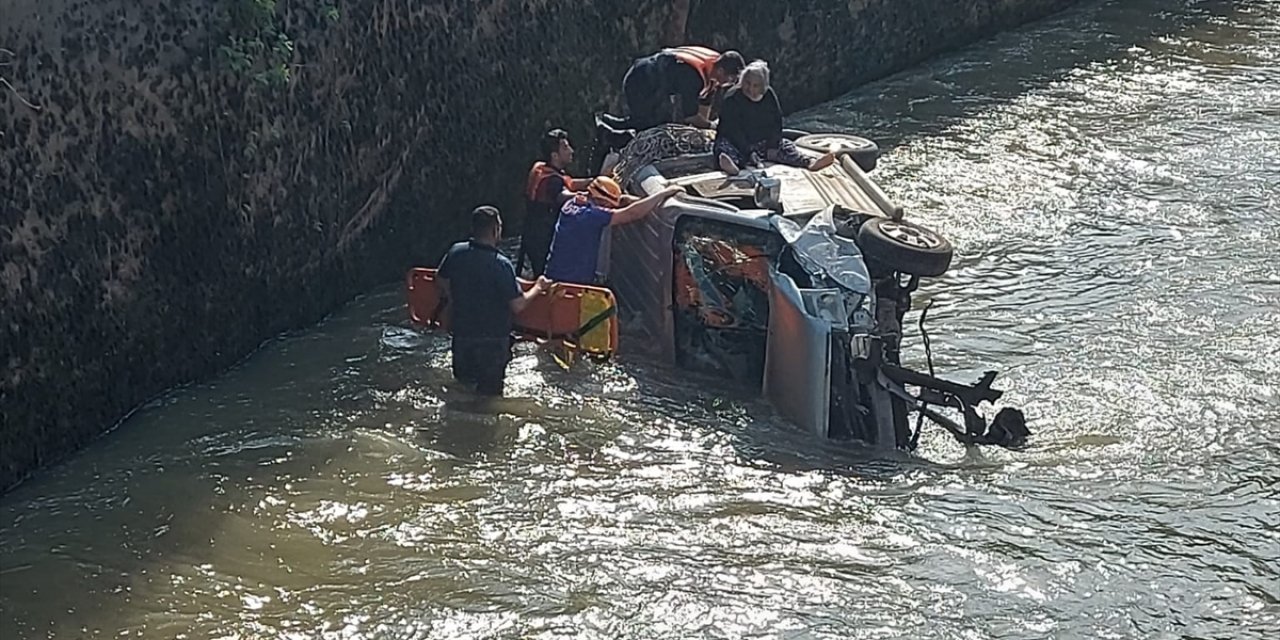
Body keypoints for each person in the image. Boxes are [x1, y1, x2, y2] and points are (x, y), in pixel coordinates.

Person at [437, 206, 550, 396]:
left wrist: (453, 299)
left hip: (462, 336)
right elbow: (518, 305)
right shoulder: (501, 264)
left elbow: (440, 279)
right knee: (488, 399)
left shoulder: (456, 252)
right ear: (496, 229)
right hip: (492, 344)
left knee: (462, 391)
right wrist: (539, 287)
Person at [544, 177, 684, 285]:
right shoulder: (591, 216)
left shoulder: (574, 203)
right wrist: (664, 193)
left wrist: (631, 200)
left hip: (554, 276)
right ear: (603, 202)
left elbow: (618, 202)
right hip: (570, 284)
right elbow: (632, 214)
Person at [714, 60, 836, 176]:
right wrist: (748, 152)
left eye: (755, 85)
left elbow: (777, 121)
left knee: (786, 146)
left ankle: (809, 162)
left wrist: (773, 144)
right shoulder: (732, 99)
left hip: (761, 142)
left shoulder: (769, 96)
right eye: (747, 83)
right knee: (724, 147)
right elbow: (732, 130)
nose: (750, 89)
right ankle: (732, 166)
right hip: (738, 142)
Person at [617, 46, 746, 131]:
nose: (730, 84)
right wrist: (713, 126)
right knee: (645, 125)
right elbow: (690, 116)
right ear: (721, 71)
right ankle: (605, 128)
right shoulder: (693, 77)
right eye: (731, 79)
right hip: (640, 80)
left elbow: (703, 109)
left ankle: (608, 125)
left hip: (653, 83)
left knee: (649, 123)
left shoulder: (713, 69)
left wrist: (706, 129)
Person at [519, 129, 590, 277]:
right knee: (546, 278)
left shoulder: (542, 168)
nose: (571, 150)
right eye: (565, 147)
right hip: (542, 238)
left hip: (530, 232)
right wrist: (587, 197)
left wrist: (593, 182)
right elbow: (562, 195)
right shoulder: (552, 180)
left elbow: (569, 183)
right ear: (555, 156)